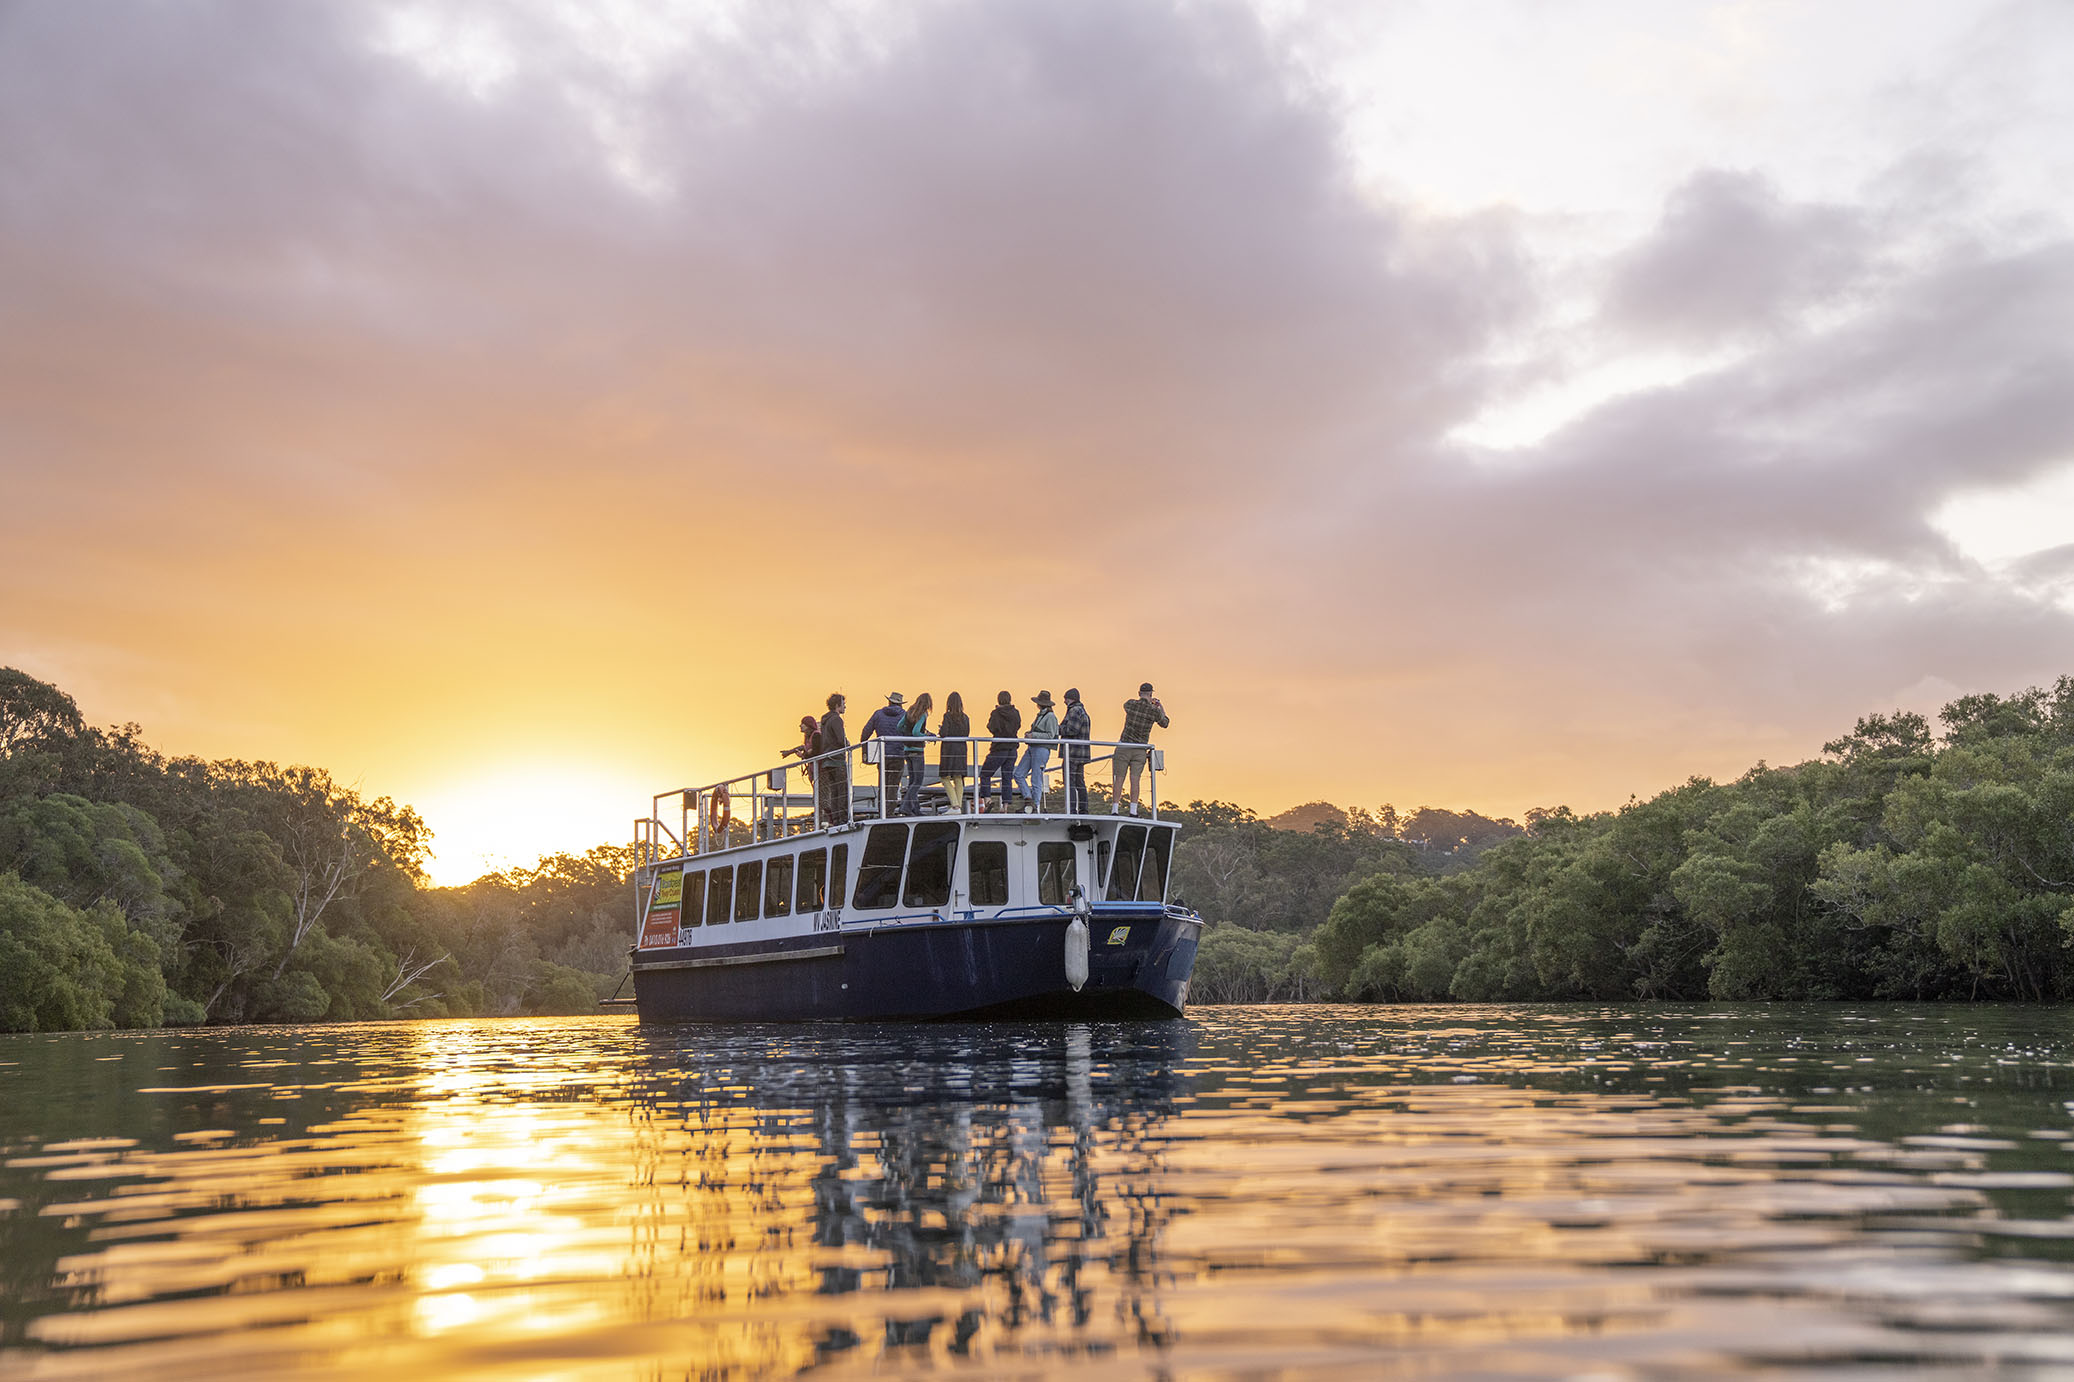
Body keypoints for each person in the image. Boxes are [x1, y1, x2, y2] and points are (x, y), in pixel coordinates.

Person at [1112, 681, 1169, 815]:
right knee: (1135, 779)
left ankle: (1115, 809)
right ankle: (1133, 811)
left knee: (1119, 778)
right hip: (1140, 749)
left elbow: (1125, 705)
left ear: (1139, 693)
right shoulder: (1154, 711)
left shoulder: (1131, 704)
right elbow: (1165, 722)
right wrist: (1159, 706)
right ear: (1150, 694)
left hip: (1124, 746)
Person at [858, 692, 909, 816]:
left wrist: (865, 752)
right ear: (900, 704)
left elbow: (865, 733)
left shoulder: (878, 714)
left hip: (883, 755)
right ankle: (889, 812)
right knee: (893, 785)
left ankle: (882, 811)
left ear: (889, 702)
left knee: (883, 784)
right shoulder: (905, 715)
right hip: (898, 754)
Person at [1014, 691, 1058, 814]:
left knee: (1036, 778)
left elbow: (1051, 735)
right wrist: (1030, 734)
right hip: (1033, 748)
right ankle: (1029, 800)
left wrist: (1033, 735)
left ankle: (1035, 806)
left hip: (1041, 749)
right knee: (1018, 774)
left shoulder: (1050, 717)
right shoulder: (1042, 716)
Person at [978, 691, 1020, 812]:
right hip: (1012, 749)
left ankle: (988, 800)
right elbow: (1018, 725)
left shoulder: (996, 713)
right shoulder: (1015, 713)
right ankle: (1005, 807)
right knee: (1007, 777)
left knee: (985, 774)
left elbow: (991, 727)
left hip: (999, 748)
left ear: (998, 700)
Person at [897, 692, 933, 816]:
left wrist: (906, 735)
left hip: (907, 749)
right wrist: (926, 736)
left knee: (912, 782)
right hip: (917, 751)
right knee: (918, 782)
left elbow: (899, 726)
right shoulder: (923, 714)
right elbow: (916, 732)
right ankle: (906, 806)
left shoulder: (910, 711)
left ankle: (915, 809)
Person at [817, 693, 849, 825]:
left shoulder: (825, 720)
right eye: (843, 704)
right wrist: (848, 743)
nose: (845, 707)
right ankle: (843, 818)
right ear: (837, 705)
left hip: (827, 760)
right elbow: (841, 739)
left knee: (834, 791)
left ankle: (836, 818)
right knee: (842, 790)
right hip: (837, 759)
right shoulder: (836, 719)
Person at [1058, 687, 1091, 814]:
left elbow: (1072, 730)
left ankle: (1072, 810)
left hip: (1072, 752)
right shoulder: (1083, 711)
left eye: (1065, 699)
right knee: (1079, 782)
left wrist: (1058, 729)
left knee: (1069, 782)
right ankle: (1084, 809)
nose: (1064, 701)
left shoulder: (1074, 711)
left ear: (1070, 699)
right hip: (1082, 753)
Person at [937, 692, 971, 813]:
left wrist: (941, 729)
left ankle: (955, 805)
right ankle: (958, 807)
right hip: (961, 749)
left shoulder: (947, 716)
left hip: (949, 749)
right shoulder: (966, 718)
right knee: (958, 777)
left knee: (945, 777)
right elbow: (967, 733)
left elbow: (944, 733)